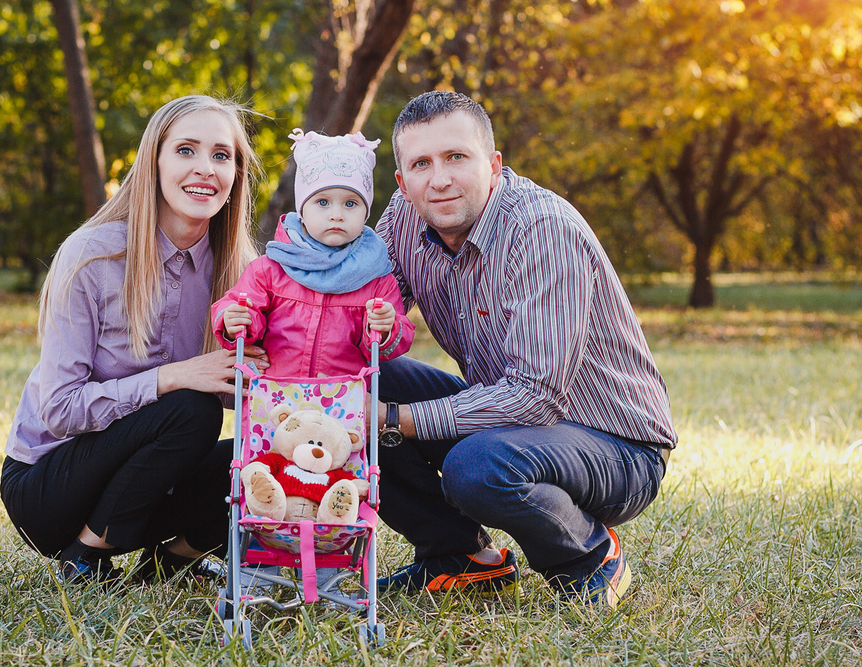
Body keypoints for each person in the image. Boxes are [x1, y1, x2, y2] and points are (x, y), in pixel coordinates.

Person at [371, 91, 677, 609]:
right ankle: (461, 558)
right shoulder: (404, 217)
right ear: (402, 182)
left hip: (616, 445)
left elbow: (535, 397)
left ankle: (589, 558)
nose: (439, 178)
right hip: (508, 424)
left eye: (456, 157)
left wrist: (392, 418)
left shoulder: (542, 230)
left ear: (492, 164)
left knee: (476, 467)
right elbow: (353, 306)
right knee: (363, 375)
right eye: (421, 164)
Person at [0, 95, 270, 585]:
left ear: (236, 174)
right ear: (154, 162)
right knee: (193, 410)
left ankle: (174, 560)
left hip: (149, 481)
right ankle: (84, 555)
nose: (205, 169)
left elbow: (239, 386)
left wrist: (260, 381)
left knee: (260, 458)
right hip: (48, 488)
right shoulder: (91, 257)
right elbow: (59, 409)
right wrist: (173, 378)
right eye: (186, 150)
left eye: (221, 155)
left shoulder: (245, 274)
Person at [213, 129, 414, 378]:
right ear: (302, 211)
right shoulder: (270, 270)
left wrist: (385, 327)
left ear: (366, 213)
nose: (337, 214)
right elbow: (243, 306)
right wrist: (234, 320)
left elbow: (389, 345)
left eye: (351, 203)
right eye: (322, 202)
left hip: (341, 400)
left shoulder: (376, 279)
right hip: (276, 395)